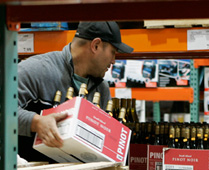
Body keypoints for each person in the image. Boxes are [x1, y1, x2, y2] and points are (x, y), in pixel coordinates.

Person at [17, 21, 133, 162]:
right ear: (95, 45)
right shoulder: (36, 70)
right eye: (113, 52)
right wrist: (36, 122)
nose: (114, 61)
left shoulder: (101, 89)